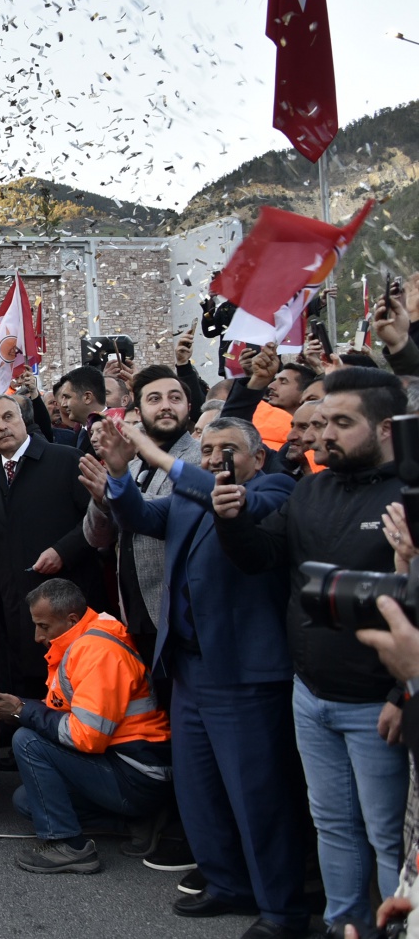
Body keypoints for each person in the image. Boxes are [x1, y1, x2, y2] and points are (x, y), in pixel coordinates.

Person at [90, 416, 310, 935]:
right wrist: (120, 474)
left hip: (243, 673)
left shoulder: (277, 488)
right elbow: (140, 516)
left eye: (227, 449)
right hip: (188, 667)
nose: (213, 459)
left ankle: (281, 910)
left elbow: (233, 501)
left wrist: (156, 453)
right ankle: (226, 882)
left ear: (258, 457)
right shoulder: (189, 497)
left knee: (258, 796)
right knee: (199, 788)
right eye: (207, 449)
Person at [213, 367, 410, 936]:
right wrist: (232, 520)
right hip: (312, 696)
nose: (324, 435)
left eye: (343, 423)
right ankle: (343, 926)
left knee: (391, 837)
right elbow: (262, 555)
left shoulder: (408, 498)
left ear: (386, 429)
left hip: (380, 705)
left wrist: (404, 691)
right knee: (333, 826)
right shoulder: (313, 489)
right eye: (322, 422)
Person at [0, 578, 173, 876]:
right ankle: (138, 821)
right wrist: (21, 707)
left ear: (71, 619)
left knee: (27, 740)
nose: (37, 636)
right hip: (127, 766)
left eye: (43, 626)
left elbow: (86, 737)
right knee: (26, 802)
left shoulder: (97, 651)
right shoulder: (84, 641)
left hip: (137, 774)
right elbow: (68, 714)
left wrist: (22, 712)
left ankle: (68, 846)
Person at [0, 393, 102, 700]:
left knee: (83, 690)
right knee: (36, 692)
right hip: (21, 613)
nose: (2, 427)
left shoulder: (66, 459)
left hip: (74, 604)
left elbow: (100, 519)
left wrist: (63, 550)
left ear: (22, 421)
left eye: (8, 417)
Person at [82, 364, 200, 652]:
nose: (165, 407)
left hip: (182, 608)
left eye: (174, 398)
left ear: (189, 406)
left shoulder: (198, 457)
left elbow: (175, 516)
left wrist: (118, 492)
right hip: (134, 605)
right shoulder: (127, 462)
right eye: (154, 399)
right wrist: (100, 501)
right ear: (140, 409)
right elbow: (97, 538)